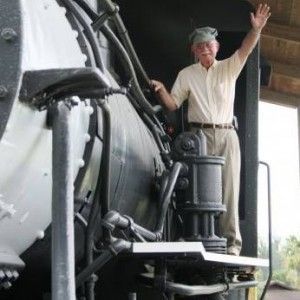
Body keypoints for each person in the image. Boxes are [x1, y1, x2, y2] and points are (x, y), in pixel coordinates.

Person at [151, 4, 271, 256]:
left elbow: (246, 48)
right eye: (200, 45)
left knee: (229, 189)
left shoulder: (229, 67)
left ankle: (231, 245)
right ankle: (191, 237)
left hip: (227, 135)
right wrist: (161, 90)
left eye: (209, 44)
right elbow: (173, 104)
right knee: (194, 189)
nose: (205, 48)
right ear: (194, 50)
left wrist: (256, 30)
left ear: (216, 48)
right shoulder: (186, 74)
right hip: (199, 137)